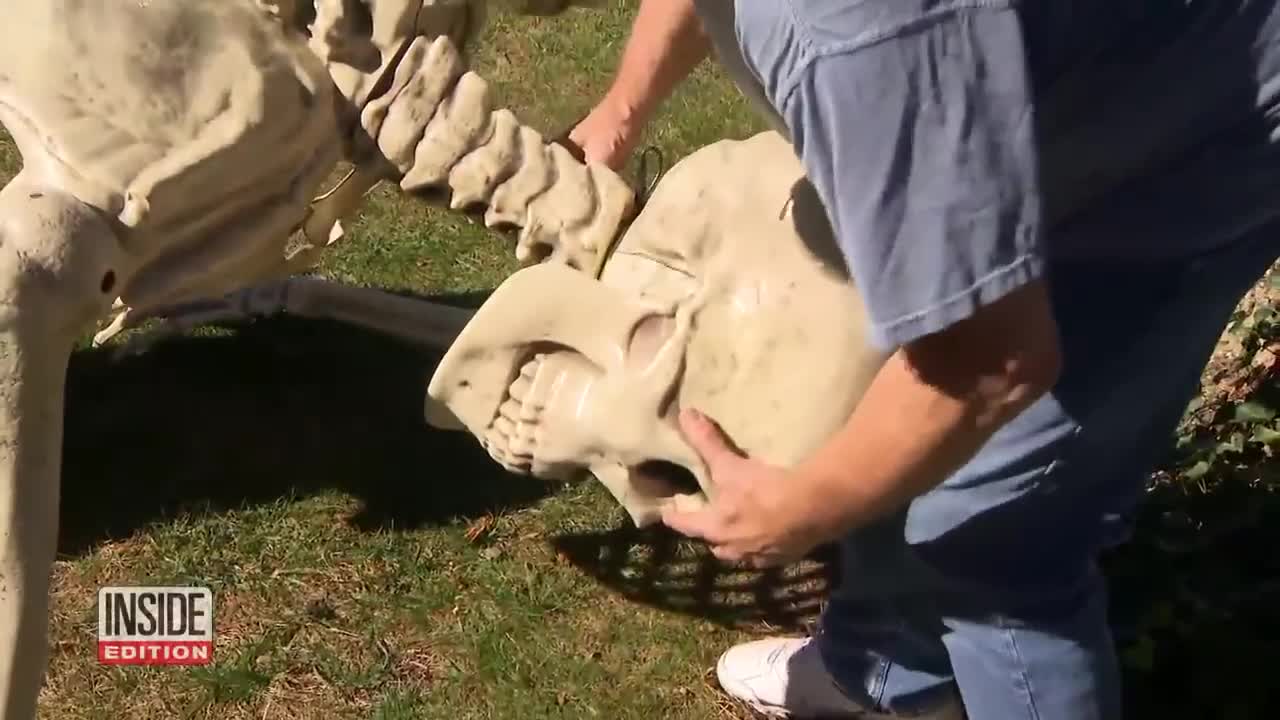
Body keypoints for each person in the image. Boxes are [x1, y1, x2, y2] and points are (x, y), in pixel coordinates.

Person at [568, 1, 1280, 719]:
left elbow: (991, 365)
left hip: (1202, 139)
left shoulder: (850, 33)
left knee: (994, 539)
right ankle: (879, 677)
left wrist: (804, 508)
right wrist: (621, 111)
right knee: (897, 376)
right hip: (1084, 91)